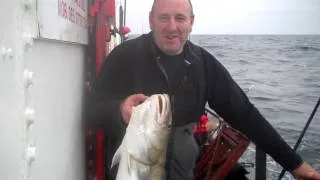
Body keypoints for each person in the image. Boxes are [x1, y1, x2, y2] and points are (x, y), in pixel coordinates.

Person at [88, 0, 320, 179]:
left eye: (180, 18)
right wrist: (119, 109)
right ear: (151, 20)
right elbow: (90, 111)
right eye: (164, 17)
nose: (172, 27)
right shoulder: (124, 57)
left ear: (191, 22)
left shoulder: (203, 64)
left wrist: (295, 164)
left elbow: (246, 115)